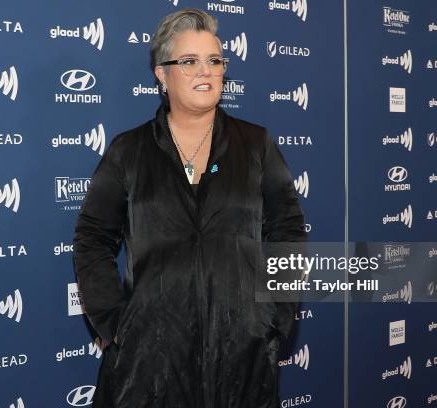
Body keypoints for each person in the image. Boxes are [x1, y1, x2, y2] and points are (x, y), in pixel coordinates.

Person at [73, 8, 306, 408]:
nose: (206, 71)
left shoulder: (256, 145)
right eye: (189, 61)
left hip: (243, 362)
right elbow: (92, 237)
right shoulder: (128, 152)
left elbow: (287, 231)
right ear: (161, 75)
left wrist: (273, 318)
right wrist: (115, 324)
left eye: (214, 60)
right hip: (148, 366)